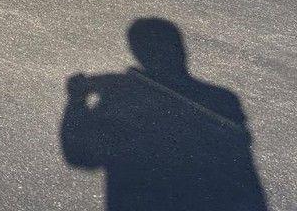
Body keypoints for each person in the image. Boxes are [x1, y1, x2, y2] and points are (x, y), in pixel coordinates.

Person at [61, 18, 267, 211]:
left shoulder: (121, 97)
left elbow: (79, 155)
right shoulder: (224, 99)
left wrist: (76, 99)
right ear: (180, 51)